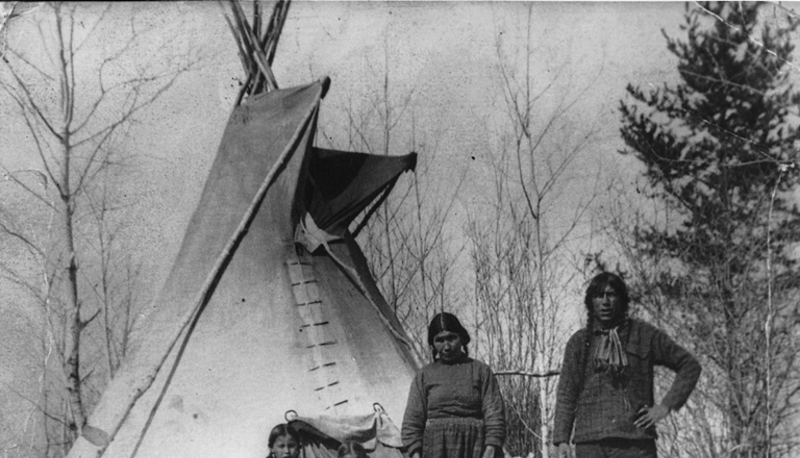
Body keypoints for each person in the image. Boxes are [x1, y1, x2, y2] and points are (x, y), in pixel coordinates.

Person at [553, 272, 701, 458]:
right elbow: (567, 393)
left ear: (622, 299)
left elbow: (689, 365)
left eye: (611, 295)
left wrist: (666, 406)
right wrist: (561, 439)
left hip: (635, 444)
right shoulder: (579, 342)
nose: (605, 302)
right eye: (599, 296)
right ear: (591, 301)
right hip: (591, 444)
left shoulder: (643, 335)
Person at [402, 312, 505, 458]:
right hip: (436, 448)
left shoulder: (481, 371)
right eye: (439, 340)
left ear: (461, 338)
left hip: (476, 447)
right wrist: (415, 453)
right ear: (432, 344)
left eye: (451, 338)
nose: (446, 346)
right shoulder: (424, 375)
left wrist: (490, 449)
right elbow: (412, 420)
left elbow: (494, 414)